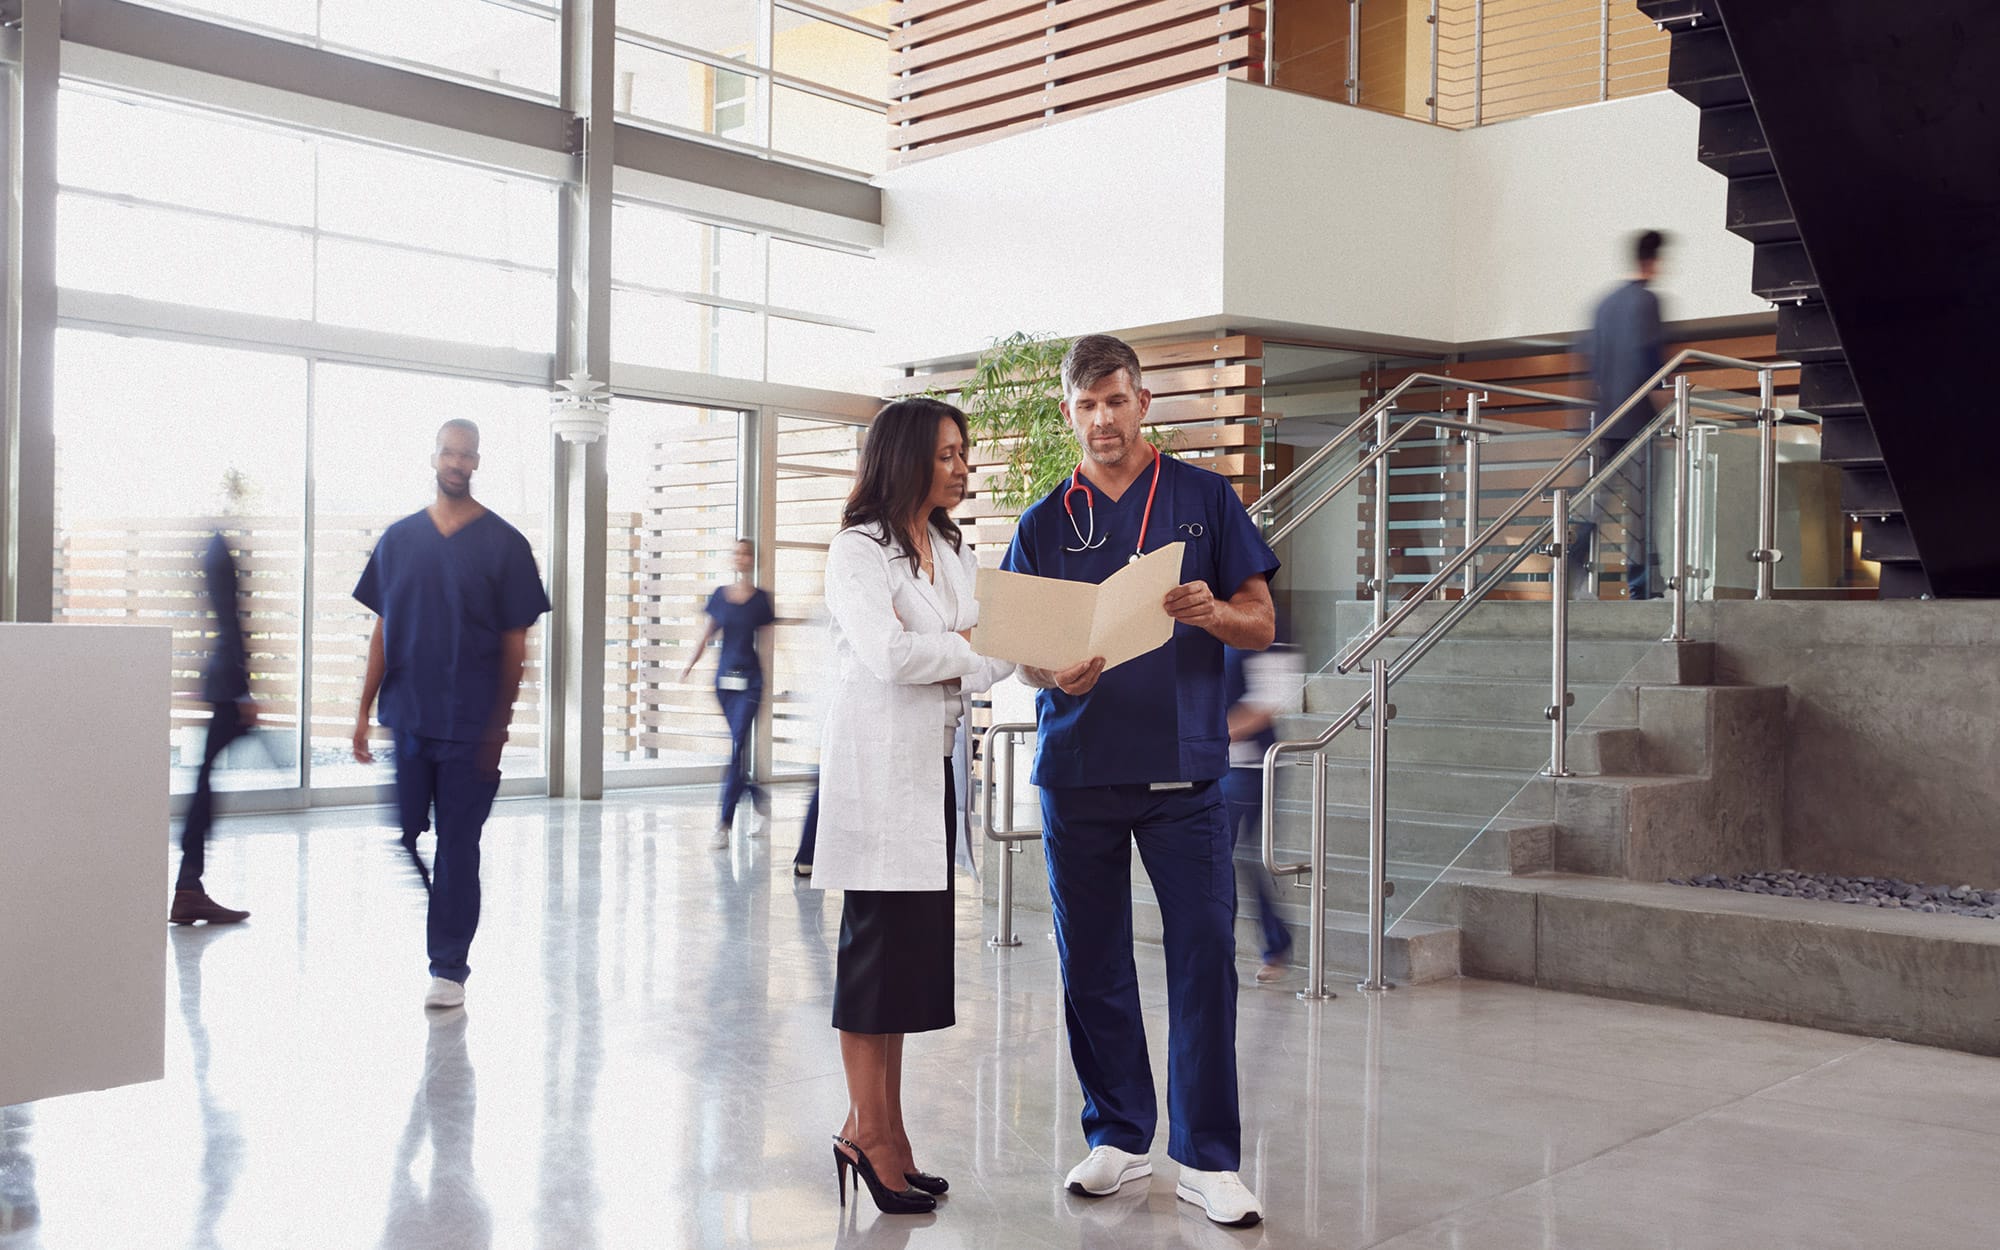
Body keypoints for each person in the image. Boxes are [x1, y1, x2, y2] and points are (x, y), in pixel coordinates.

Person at [1001, 334, 1278, 1229]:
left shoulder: (1203, 500)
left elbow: (1261, 622)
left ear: (1143, 401)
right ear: (1068, 414)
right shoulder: (1046, 520)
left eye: (1115, 401)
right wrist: (1052, 672)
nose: (1103, 420)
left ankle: (1207, 1159)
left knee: (1204, 961)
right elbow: (1021, 652)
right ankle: (1118, 1135)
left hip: (1181, 771)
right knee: (1093, 964)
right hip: (1078, 770)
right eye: (1086, 407)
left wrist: (1214, 612)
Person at [813, 397, 1013, 1216]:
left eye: (964, 454)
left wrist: (964, 657)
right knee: (873, 956)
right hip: (875, 774)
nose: (962, 467)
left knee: (904, 964)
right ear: (904, 458)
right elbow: (889, 655)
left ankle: (885, 1132)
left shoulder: (951, 550)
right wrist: (965, 654)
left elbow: (991, 653)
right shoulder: (857, 551)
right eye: (946, 455)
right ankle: (868, 1132)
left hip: (931, 776)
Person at [351, 418, 549, 1011]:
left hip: (470, 728)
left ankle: (449, 966)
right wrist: (362, 711)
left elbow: (517, 642)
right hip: (408, 718)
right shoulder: (398, 539)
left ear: (477, 462)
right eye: (448, 452)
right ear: (433, 457)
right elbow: (383, 629)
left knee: (460, 843)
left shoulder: (506, 544)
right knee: (408, 830)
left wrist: (499, 728)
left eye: (466, 455)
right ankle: (449, 909)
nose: (456, 463)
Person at [170, 476, 259, 926]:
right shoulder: (220, 549)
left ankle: (190, 885)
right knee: (205, 784)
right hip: (227, 684)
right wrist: (242, 688)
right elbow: (228, 619)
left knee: (205, 780)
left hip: (222, 681)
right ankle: (188, 885)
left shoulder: (213, 548)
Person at [1573, 228, 1670, 600]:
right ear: (1653, 261)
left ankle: (1573, 573)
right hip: (1639, 420)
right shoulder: (1646, 302)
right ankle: (1641, 588)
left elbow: (1592, 364)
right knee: (1642, 511)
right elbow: (1651, 360)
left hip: (1606, 420)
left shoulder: (1604, 304)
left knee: (1596, 506)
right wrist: (1663, 401)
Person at [680, 539, 776, 849]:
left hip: (750, 682)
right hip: (724, 683)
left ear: (752, 560)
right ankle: (759, 801)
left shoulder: (761, 600)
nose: (741, 558)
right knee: (737, 750)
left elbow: (771, 644)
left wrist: (775, 681)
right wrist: (689, 666)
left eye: (746, 553)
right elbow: (707, 634)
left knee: (736, 750)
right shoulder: (720, 596)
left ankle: (724, 824)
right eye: (736, 553)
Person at [1222, 642, 1303, 984]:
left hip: (1253, 767)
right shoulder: (1213, 629)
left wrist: (1213, 734)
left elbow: (1267, 705)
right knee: (1227, 859)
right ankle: (1271, 944)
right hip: (1222, 764)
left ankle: (1268, 944)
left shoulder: (1268, 633)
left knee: (1234, 858)